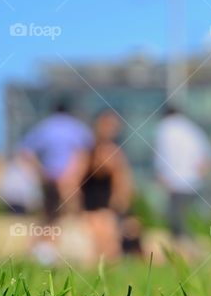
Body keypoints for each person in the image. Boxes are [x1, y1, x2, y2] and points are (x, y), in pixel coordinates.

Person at [19, 98, 93, 223]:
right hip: (70, 176)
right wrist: (76, 173)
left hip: (50, 175)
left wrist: (40, 170)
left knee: (49, 215)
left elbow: (25, 150)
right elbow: (87, 151)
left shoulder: (45, 126)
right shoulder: (77, 127)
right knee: (72, 212)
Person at [80, 109, 134, 259]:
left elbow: (123, 188)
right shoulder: (86, 153)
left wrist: (121, 210)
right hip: (89, 211)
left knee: (108, 243)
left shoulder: (116, 156)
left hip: (106, 211)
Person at [154, 105, 211, 241]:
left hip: (174, 181)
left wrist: (161, 175)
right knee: (184, 217)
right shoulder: (192, 128)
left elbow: (161, 154)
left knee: (175, 220)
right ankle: (186, 243)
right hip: (193, 181)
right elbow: (207, 157)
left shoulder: (164, 127)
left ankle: (185, 246)